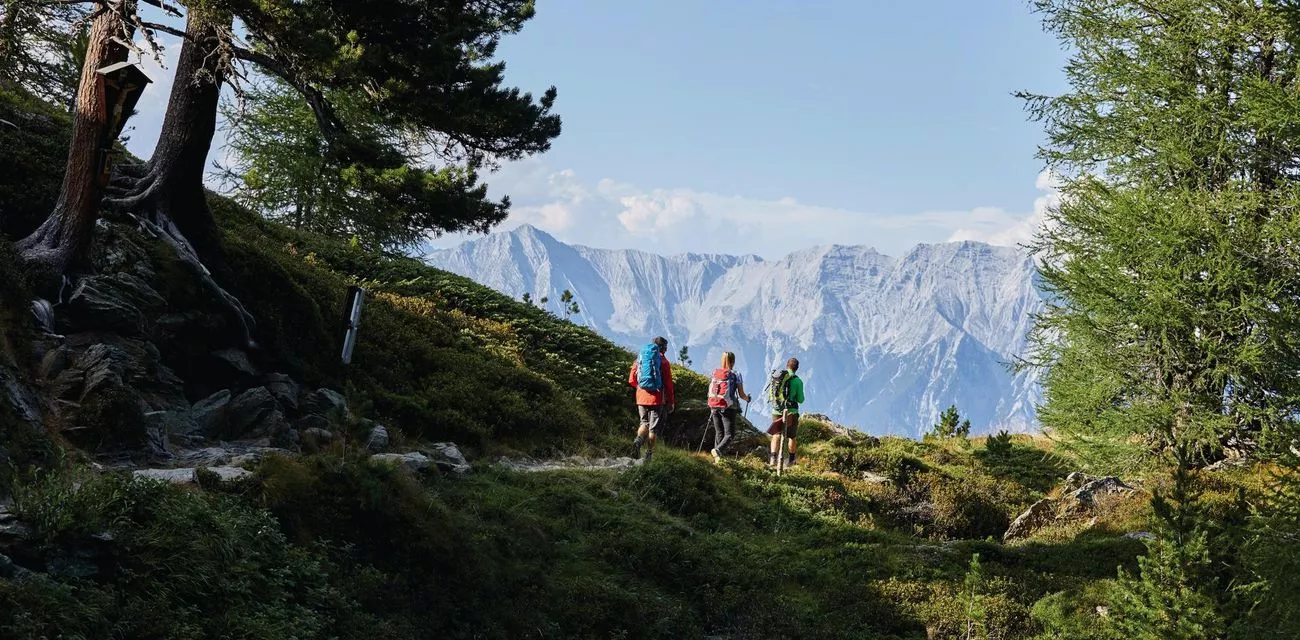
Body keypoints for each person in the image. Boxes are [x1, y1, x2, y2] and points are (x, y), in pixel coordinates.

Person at [628, 336, 675, 461]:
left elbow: (631, 379)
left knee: (643, 423)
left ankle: (637, 442)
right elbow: (669, 385)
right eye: (666, 347)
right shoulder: (664, 362)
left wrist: (640, 388)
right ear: (663, 348)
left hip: (641, 396)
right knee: (653, 429)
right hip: (657, 398)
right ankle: (648, 455)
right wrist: (670, 402)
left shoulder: (640, 358)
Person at [707, 351, 751, 462]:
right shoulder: (736, 374)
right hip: (728, 407)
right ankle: (718, 451)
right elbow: (741, 394)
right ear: (733, 361)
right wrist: (747, 399)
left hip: (714, 406)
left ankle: (717, 460)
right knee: (730, 434)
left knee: (719, 433)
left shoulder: (716, 373)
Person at [767, 357, 805, 468]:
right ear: (797, 368)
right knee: (791, 437)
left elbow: (771, 395)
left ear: (786, 366)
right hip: (791, 412)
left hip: (776, 410)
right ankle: (791, 460)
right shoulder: (798, 381)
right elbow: (801, 400)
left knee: (776, 434)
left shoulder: (776, 377)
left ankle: (773, 458)